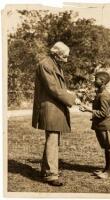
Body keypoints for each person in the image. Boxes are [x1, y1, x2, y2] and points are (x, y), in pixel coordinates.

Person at [32, 41, 80, 186]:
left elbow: (58, 87)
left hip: (55, 107)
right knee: (52, 140)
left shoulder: (53, 63)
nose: (66, 60)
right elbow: (53, 88)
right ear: (56, 54)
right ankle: (51, 175)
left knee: (53, 140)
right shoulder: (45, 65)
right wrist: (72, 98)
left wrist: (69, 93)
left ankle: (47, 170)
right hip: (50, 108)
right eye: (64, 57)